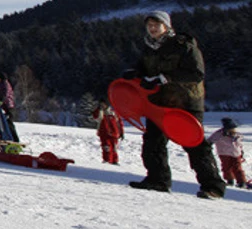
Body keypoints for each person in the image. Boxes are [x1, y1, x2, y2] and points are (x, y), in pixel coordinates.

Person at [124, 10, 225, 199]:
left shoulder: (184, 46)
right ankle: (157, 180)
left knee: (194, 143)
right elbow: (144, 68)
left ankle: (213, 187)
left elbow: (196, 74)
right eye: (149, 25)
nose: (153, 28)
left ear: (167, 26)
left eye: (157, 25)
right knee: (153, 142)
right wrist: (134, 73)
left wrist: (164, 79)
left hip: (186, 101)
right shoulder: (149, 48)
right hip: (160, 103)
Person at [207, 117, 247, 189]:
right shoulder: (219, 134)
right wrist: (208, 145)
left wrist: (241, 152)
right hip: (224, 154)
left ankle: (242, 182)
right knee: (226, 168)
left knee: (237, 168)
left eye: (234, 128)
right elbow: (210, 140)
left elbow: (239, 144)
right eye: (231, 128)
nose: (233, 130)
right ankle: (230, 180)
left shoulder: (237, 135)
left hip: (236, 154)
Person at [0, 73, 20, 143]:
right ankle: (3, 136)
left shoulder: (5, 84)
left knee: (8, 123)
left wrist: (0, 102)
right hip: (2, 106)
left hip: (7, 106)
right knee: (1, 122)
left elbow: (4, 95)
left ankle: (15, 139)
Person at [93, 99, 123, 165]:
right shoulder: (100, 112)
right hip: (104, 133)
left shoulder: (113, 112)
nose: (102, 105)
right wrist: (98, 109)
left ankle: (114, 161)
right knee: (106, 147)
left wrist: (121, 132)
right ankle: (107, 160)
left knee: (114, 148)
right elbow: (96, 117)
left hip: (114, 133)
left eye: (104, 104)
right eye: (101, 104)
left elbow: (119, 123)